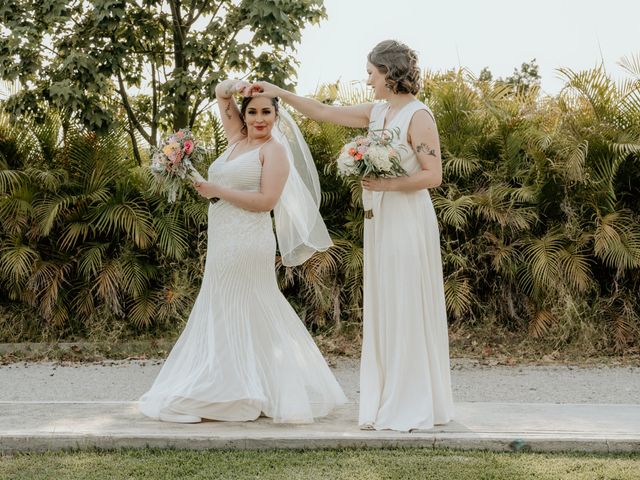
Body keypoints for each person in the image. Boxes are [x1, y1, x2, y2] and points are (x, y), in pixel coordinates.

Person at [253, 39, 454, 431]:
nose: (367, 82)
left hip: (408, 220)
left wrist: (387, 185)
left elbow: (434, 174)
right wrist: (279, 93)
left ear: (390, 74)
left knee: (405, 302)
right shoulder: (378, 112)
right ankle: (384, 398)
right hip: (379, 221)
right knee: (385, 305)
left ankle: (411, 400)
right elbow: (323, 112)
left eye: (371, 74)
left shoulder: (418, 115)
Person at [138, 79, 347, 424]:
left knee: (242, 304)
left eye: (267, 112)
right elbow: (220, 93)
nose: (260, 119)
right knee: (227, 305)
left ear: (276, 116)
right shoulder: (236, 140)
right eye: (253, 112)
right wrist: (238, 85)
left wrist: (216, 189)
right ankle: (243, 385)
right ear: (244, 115)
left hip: (249, 240)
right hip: (223, 239)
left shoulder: (273, 151)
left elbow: (266, 201)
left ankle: (244, 390)